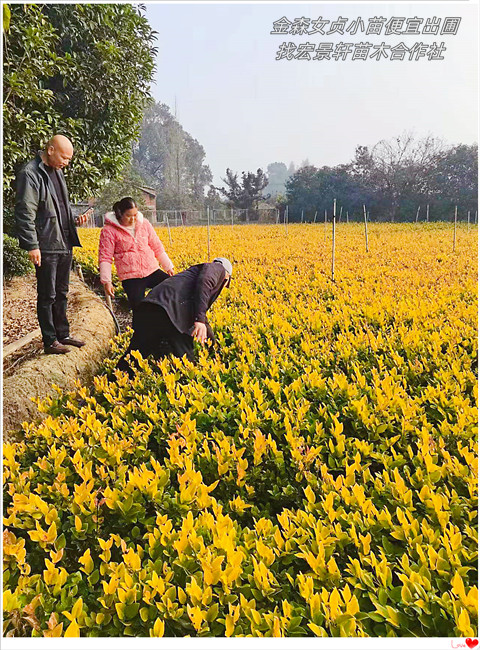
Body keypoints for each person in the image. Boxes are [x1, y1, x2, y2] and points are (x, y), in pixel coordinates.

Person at [14, 135, 89, 355]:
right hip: (46, 244)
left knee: (62, 291)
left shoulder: (58, 172)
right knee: (47, 294)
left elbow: (59, 206)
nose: (66, 162)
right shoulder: (30, 174)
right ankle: (50, 340)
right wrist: (32, 245)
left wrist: (75, 219)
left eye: (69, 159)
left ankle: (63, 334)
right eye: (64, 157)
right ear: (50, 150)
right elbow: (25, 212)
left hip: (64, 242)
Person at [117, 257, 232, 374]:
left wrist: (214, 347)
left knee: (135, 354)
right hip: (170, 311)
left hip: (151, 307)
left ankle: (115, 379)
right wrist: (199, 320)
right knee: (186, 363)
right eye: (226, 284)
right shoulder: (218, 268)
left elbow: (202, 316)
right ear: (226, 277)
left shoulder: (191, 276)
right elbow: (205, 281)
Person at [98, 197, 174, 309]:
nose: (133, 219)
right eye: (129, 216)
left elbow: (156, 246)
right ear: (120, 214)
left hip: (151, 270)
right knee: (138, 309)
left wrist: (168, 266)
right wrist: (106, 281)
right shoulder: (109, 231)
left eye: (135, 215)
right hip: (130, 277)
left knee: (172, 286)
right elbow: (105, 257)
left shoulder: (145, 224)